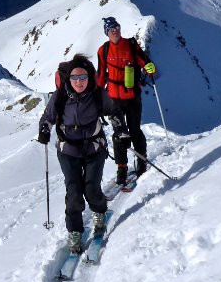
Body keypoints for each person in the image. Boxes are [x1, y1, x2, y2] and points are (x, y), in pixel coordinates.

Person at [37, 54, 125, 254]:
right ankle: (75, 231)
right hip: (68, 150)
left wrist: (120, 130)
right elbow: (48, 117)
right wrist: (44, 129)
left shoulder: (97, 94)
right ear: (68, 79)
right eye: (75, 78)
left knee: (92, 188)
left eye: (83, 77)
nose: (79, 82)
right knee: (74, 191)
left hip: (94, 148)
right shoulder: (59, 96)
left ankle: (100, 212)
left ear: (89, 78)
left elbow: (114, 112)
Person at [96, 16, 157, 185]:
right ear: (107, 33)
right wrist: (96, 97)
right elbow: (100, 76)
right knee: (119, 134)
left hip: (132, 97)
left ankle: (141, 161)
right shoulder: (104, 50)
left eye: (116, 27)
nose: (114, 30)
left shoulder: (130, 44)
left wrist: (149, 66)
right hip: (114, 100)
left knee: (135, 130)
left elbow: (143, 60)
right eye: (111, 29)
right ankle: (121, 167)